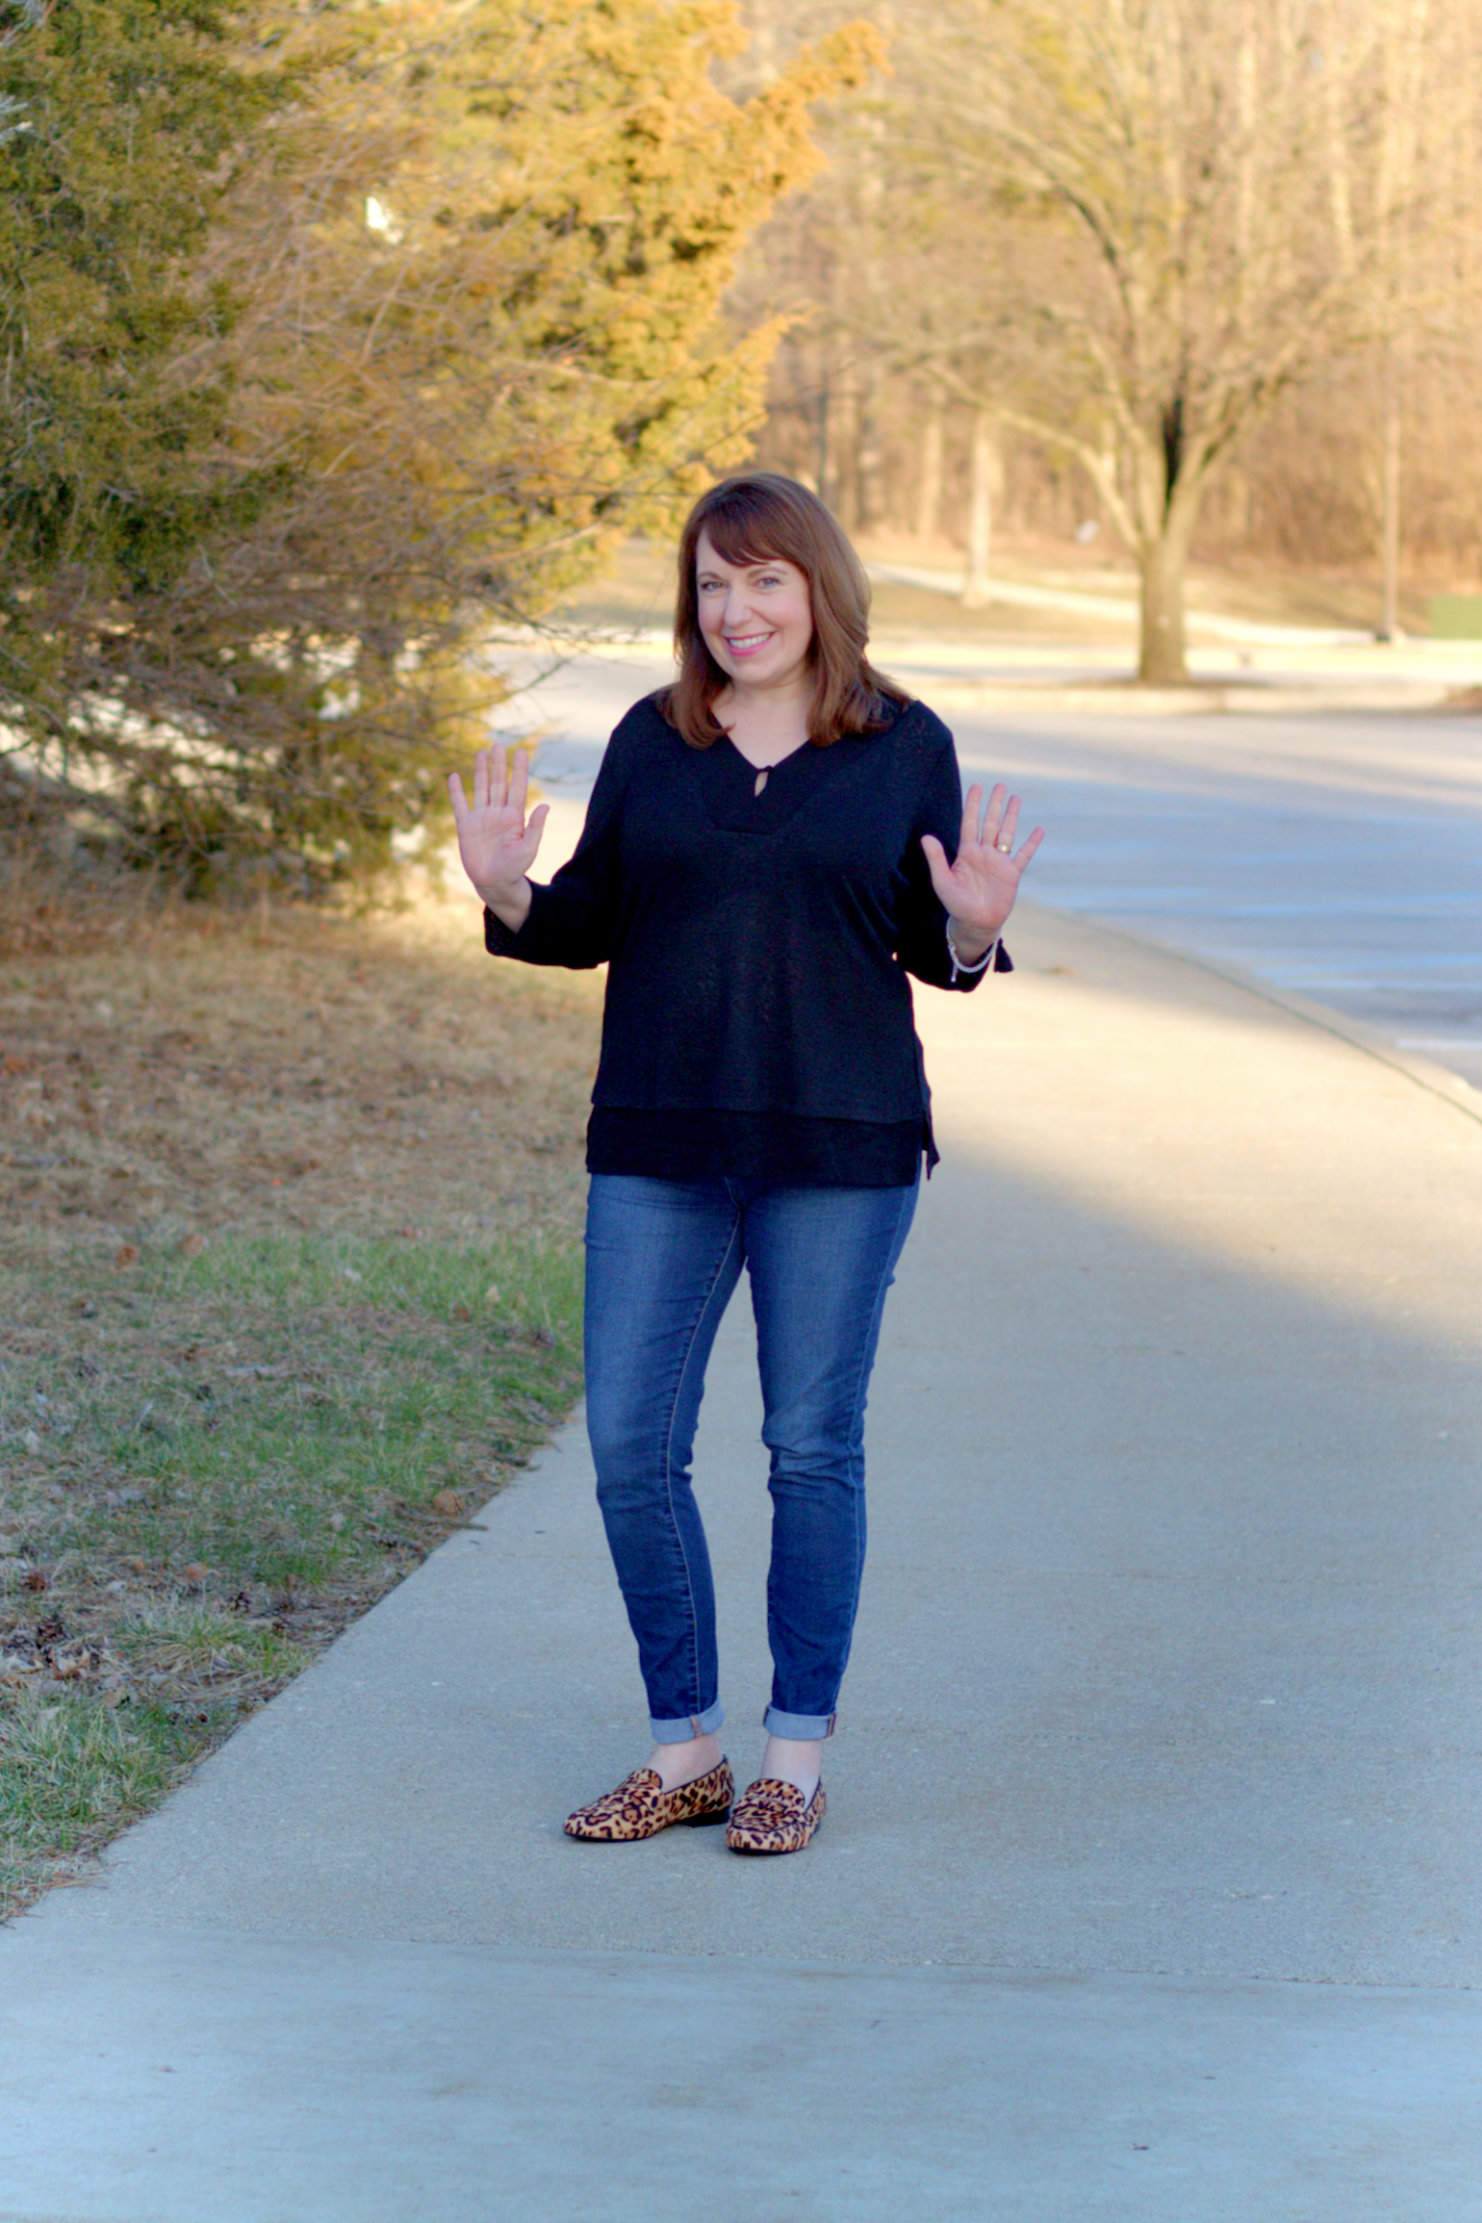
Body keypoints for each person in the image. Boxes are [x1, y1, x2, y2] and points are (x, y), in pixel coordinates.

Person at [449, 472, 1042, 1855]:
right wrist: (506, 894)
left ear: (818, 589)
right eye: (712, 584)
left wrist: (970, 929)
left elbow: (930, 949)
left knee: (807, 1449)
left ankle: (792, 1757)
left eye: (763, 580)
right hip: (658, 1138)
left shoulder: (902, 744)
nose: (735, 610)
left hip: (838, 1148)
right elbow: (591, 913)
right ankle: (684, 1750)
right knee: (625, 1449)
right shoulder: (654, 742)